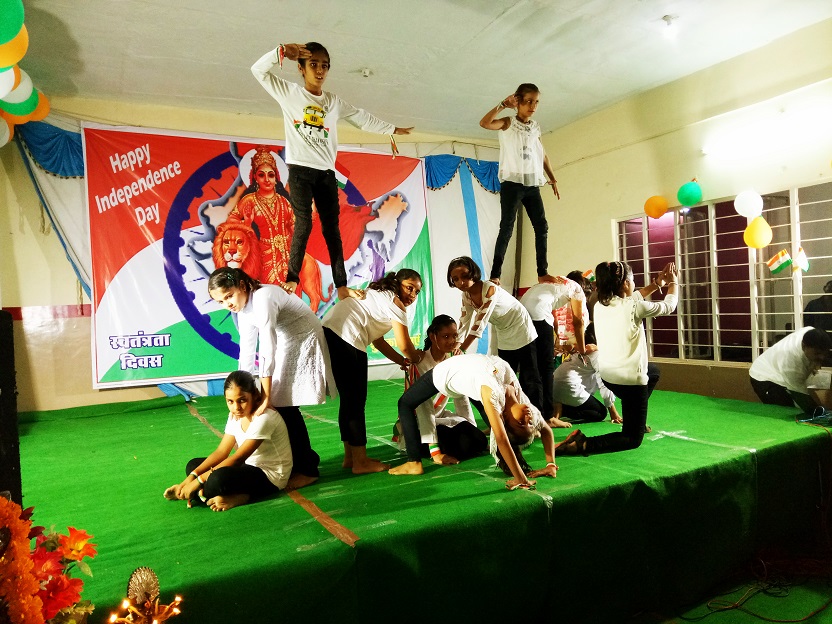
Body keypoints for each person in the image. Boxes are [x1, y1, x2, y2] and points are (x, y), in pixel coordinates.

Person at [251, 42, 413, 301]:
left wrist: (390, 129)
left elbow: (361, 117)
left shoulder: (332, 102)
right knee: (304, 223)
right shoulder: (290, 93)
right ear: (301, 68)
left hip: (326, 174)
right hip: (300, 170)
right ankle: (292, 278)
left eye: (324, 66)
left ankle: (341, 286)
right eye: (313, 65)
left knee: (332, 230)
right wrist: (280, 51)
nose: (319, 71)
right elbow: (258, 71)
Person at [208, 267, 332, 489]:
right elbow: (246, 353)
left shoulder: (263, 297)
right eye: (221, 301)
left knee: (283, 404)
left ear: (242, 286)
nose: (227, 304)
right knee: (278, 402)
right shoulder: (243, 308)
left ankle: (307, 469)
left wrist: (265, 395)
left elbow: (267, 347)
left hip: (304, 335)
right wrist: (244, 389)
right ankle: (300, 462)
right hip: (286, 338)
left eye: (229, 296)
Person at [558, 261, 678, 456]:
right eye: (632, 281)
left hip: (609, 378)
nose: (634, 285)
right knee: (632, 439)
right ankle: (583, 444)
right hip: (630, 382)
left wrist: (657, 284)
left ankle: (635, 415)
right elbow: (669, 306)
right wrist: (674, 282)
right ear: (625, 284)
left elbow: (634, 297)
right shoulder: (634, 307)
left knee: (654, 372)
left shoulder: (600, 305)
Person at [390, 353, 557, 491]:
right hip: (466, 369)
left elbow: (501, 438)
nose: (528, 418)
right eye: (530, 424)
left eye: (521, 423)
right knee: (486, 408)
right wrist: (551, 464)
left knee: (405, 403)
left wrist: (520, 478)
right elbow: (546, 430)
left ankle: (413, 462)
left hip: (446, 374)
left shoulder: (492, 394)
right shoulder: (523, 402)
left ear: (505, 418)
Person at [322, 269, 424, 474]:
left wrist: (401, 362)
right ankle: (360, 462)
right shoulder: (394, 301)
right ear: (397, 284)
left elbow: (378, 341)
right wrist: (418, 358)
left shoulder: (379, 295)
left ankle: (351, 457)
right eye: (409, 288)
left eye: (417, 292)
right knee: (355, 401)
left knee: (349, 400)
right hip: (347, 334)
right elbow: (405, 346)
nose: (413, 295)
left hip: (332, 330)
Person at [163, 371, 292, 512]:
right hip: (247, 467)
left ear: (255, 395)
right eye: (230, 401)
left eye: (242, 400)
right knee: (193, 465)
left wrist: (198, 481)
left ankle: (238, 497)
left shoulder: (264, 418)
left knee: (217, 479)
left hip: (270, 475)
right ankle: (200, 493)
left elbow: (238, 458)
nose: (236, 407)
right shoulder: (235, 415)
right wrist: (191, 477)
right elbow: (221, 452)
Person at [479, 83, 559, 286]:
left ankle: (542, 272)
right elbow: (485, 123)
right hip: (512, 184)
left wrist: (552, 177)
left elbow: (542, 154)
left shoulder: (535, 127)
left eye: (536, 102)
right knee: (507, 226)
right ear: (518, 102)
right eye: (529, 101)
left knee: (542, 226)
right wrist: (501, 105)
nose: (533, 106)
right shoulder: (508, 122)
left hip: (531, 183)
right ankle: (495, 274)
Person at [391, 315, 488, 465]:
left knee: (479, 441)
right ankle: (428, 448)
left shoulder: (454, 359)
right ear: (433, 337)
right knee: (460, 447)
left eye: (454, 336)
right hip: (419, 423)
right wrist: (436, 453)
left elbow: (461, 398)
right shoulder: (419, 362)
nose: (451, 341)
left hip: (441, 418)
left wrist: (471, 429)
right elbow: (424, 408)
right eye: (446, 336)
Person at [520, 276, 587, 426]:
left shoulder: (557, 284)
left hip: (522, 313)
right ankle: (548, 417)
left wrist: (560, 340)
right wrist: (582, 349)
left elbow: (556, 318)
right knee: (546, 368)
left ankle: (527, 414)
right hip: (538, 314)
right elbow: (578, 321)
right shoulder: (577, 290)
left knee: (530, 368)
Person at [226, 146, 294, 285]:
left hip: (288, 253)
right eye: (261, 175)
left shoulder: (283, 201)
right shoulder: (250, 200)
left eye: (271, 175)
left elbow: (294, 224)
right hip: (264, 254)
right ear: (255, 177)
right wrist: (246, 223)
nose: (267, 179)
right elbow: (231, 221)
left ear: (276, 178)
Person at [551, 323, 621, 425]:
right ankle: (562, 409)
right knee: (600, 413)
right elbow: (603, 382)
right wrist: (613, 412)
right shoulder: (596, 354)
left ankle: (556, 406)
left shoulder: (583, 347)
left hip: (555, 382)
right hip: (568, 385)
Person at [749, 326, 832, 413]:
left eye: (824, 353)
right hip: (763, 376)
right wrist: (819, 411)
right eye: (817, 354)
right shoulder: (793, 363)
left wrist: (816, 361)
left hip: (779, 366)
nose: (822, 357)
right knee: (786, 411)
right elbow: (802, 396)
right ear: (804, 346)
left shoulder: (810, 331)